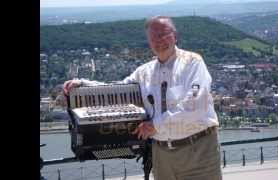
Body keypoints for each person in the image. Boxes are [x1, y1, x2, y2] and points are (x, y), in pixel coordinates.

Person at [63, 15, 222, 180]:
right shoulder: (143, 72)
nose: (159, 40)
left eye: (164, 34)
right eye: (154, 37)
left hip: (197, 150)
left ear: (175, 36)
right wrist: (82, 84)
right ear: (149, 42)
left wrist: (155, 125)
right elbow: (118, 90)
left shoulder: (193, 63)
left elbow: (195, 103)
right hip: (161, 154)